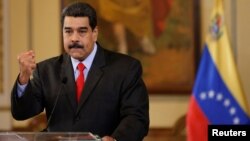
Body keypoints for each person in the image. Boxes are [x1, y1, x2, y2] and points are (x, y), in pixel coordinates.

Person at [10, 2, 149, 141]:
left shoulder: (125, 68)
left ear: (94, 33)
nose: (74, 38)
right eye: (68, 31)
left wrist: (116, 139)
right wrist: (24, 78)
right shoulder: (47, 70)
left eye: (82, 31)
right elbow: (22, 113)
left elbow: (137, 117)